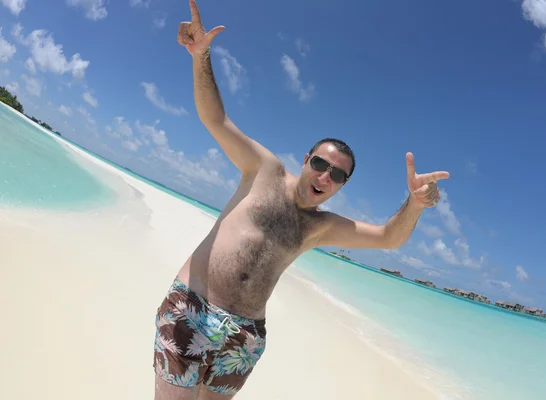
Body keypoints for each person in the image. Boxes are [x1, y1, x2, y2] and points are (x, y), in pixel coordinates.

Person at [153, 1, 450, 399]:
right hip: (193, 308)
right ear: (305, 159)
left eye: (338, 174)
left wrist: (414, 204)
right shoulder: (264, 171)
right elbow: (216, 120)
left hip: (244, 337)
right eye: (319, 163)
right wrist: (201, 56)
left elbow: (387, 238)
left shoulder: (320, 226)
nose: (325, 176)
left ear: (341, 186)